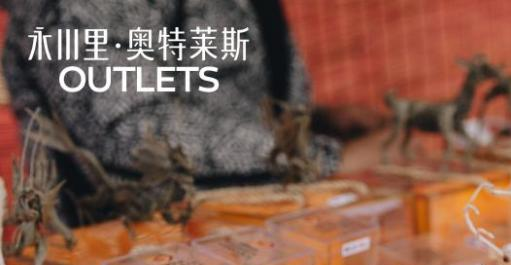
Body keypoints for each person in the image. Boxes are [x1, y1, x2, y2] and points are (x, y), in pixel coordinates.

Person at [2, 0, 359, 225]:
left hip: (271, 237)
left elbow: (215, 85)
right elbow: (128, 127)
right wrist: (320, 158)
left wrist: (313, 121)